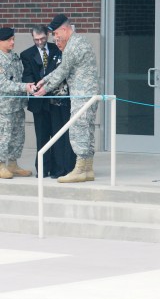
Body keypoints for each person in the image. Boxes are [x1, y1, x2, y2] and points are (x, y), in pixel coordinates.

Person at [34, 14, 99, 183]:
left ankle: (80, 169)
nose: (55, 38)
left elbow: (63, 71)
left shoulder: (74, 45)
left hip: (82, 94)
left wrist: (44, 90)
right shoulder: (78, 42)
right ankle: (87, 169)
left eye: (56, 33)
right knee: (87, 130)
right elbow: (63, 68)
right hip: (85, 94)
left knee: (79, 130)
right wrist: (44, 80)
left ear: (64, 29)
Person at [21, 25, 74, 178]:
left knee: (58, 135)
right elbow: (28, 74)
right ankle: (43, 169)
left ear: (47, 36)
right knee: (42, 137)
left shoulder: (57, 48)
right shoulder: (27, 54)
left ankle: (59, 169)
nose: (39, 42)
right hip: (39, 102)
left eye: (42, 39)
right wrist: (31, 86)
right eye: (36, 39)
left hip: (56, 101)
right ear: (32, 38)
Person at [0, 28, 36, 179]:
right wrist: (24, 87)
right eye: (9, 40)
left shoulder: (14, 57)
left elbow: (21, 76)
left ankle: (13, 164)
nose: (12, 42)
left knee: (18, 136)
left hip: (18, 105)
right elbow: (3, 84)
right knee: (4, 137)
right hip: (5, 108)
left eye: (13, 39)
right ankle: (1, 165)